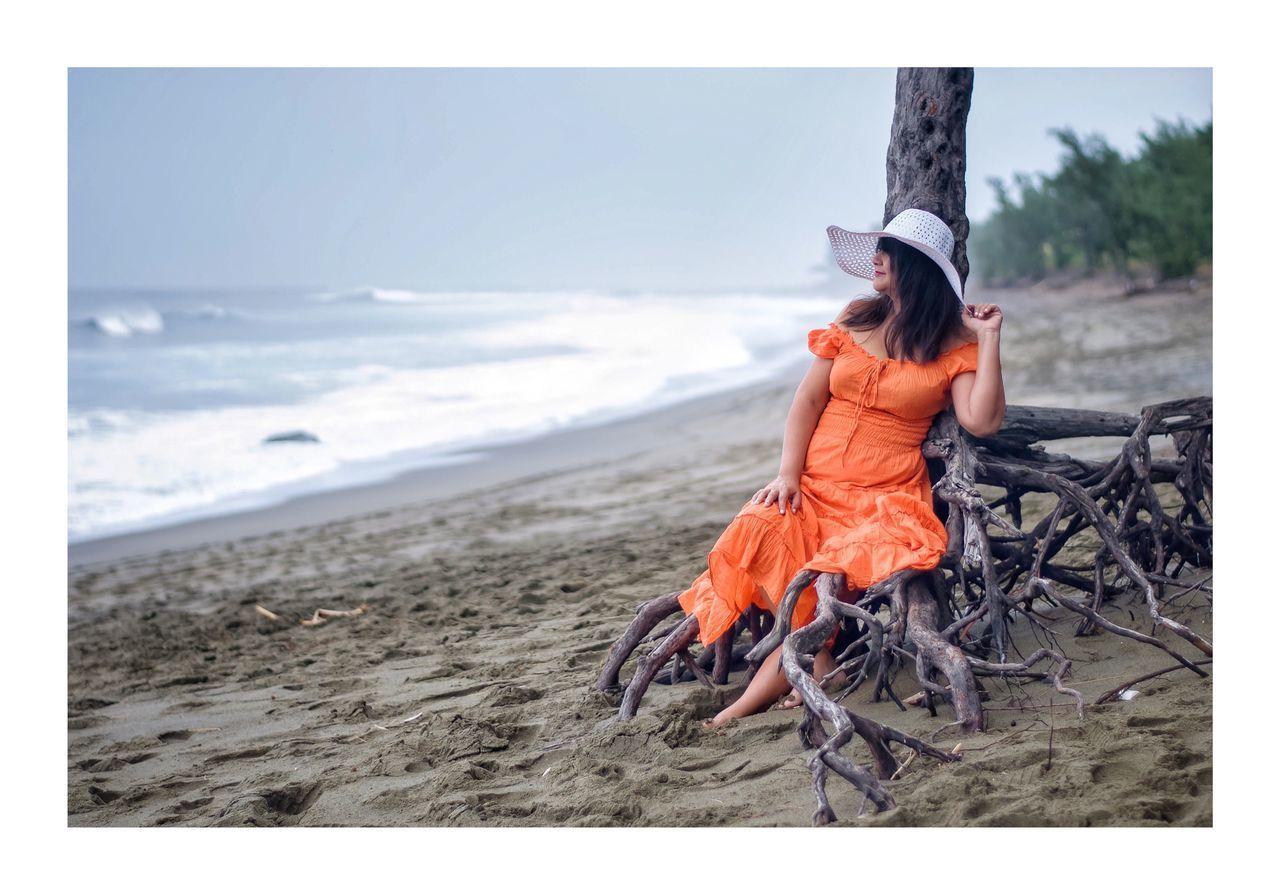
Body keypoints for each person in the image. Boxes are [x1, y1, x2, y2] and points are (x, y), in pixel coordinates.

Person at [675, 208, 1007, 729]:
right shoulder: (857, 317)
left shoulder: (952, 345)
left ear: (915, 267)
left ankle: (737, 711)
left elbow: (982, 420)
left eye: (888, 252)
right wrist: (787, 473)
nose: (875, 258)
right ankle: (822, 662)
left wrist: (989, 340)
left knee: (820, 583)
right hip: (811, 485)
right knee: (756, 529)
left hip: (880, 498)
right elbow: (807, 401)